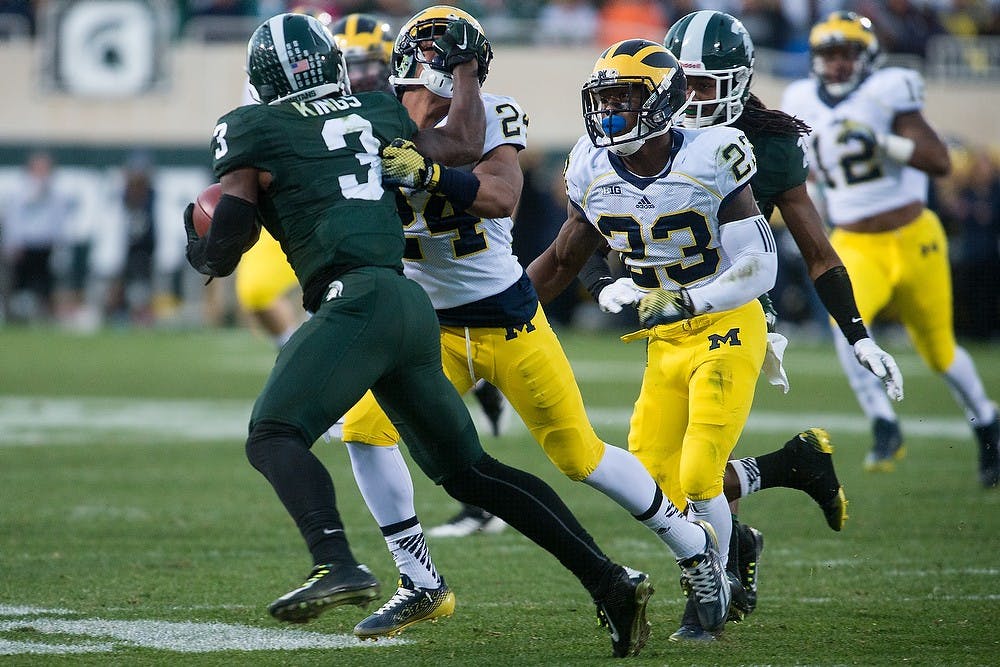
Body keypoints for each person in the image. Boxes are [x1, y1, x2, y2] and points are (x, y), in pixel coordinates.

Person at [183, 12, 653, 659]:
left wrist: (199, 239)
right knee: (472, 472)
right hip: (410, 306)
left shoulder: (250, 127)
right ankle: (609, 580)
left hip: (359, 300)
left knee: (273, 433)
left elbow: (228, 241)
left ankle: (335, 561)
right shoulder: (374, 113)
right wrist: (462, 69)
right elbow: (461, 140)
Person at [334, 7, 730, 645]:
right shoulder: (374, 117)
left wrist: (428, 172)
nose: (432, 68)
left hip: (506, 316)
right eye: (427, 54)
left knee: (579, 456)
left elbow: (500, 197)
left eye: (447, 57)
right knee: (362, 430)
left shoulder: (496, 112)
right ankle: (419, 581)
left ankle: (692, 548)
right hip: (427, 327)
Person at [659, 8, 901, 639]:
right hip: (668, 316)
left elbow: (818, 251)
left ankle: (711, 591)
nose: (690, 98)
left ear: (737, 82)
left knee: (696, 467)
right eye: (681, 82)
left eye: (704, 84)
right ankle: (788, 474)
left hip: (735, 313)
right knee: (666, 469)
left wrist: (859, 334)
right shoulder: (652, 131)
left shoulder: (769, 146)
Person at [527, 37, 777, 641]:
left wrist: (691, 299)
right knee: (650, 471)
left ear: (664, 103)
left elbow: (761, 265)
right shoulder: (589, 164)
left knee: (697, 476)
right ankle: (736, 544)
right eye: (603, 99)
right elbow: (568, 255)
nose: (609, 113)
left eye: (625, 99)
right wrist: (508, 310)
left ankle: (708, 598)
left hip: (725, 324)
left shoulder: (713, 153)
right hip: (664, 339)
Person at [781, 11, 1000, 488]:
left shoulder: (890, 90)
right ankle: (883, 422)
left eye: (847, 53)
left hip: (913, 233)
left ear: (868, 57)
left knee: (939, 350)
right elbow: (809, 175)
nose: (837, 64)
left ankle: (986, 419)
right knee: (847, 325)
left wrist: (883, 142)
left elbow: (939, 161)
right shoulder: (799, 100)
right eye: (828, 54)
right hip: (856, 241)